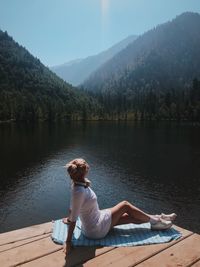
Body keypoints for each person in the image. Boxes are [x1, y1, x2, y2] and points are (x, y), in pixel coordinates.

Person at [62, 158, 177, 255]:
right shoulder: (79, 191)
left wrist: (67, 219)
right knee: (125, 205)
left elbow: (72, 209)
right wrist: (68, 241)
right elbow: (74, 217)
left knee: (129, 217)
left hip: (97, 220)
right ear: (84, 172)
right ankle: (155, 220)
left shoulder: (79, 185)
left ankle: (159, 220)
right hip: (95, 229)